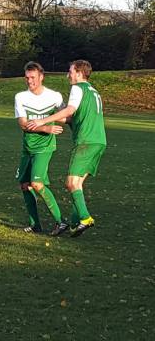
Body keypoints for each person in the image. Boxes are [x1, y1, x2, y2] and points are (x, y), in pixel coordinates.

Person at [27, 60, 106, 237]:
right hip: (99, 141)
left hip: (86, 141)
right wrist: (52, 114)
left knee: (71, 183)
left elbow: (70, 110)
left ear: (79, 73)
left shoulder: (78, 88)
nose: (67, 75)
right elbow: (73, 118)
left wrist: (42, 120)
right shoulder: (93, 91)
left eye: (70, 71)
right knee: (77, 184)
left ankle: (85, 218)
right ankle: (76, 223)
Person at [15, 61, 68, 236]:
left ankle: (61, 221)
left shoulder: (54, 97)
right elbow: (23, 124)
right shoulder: (20, 97)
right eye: (27, 77)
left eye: (33, 77)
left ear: (41, 77)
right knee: (25, 185)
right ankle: (35, 225)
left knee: (36, 184)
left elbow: (66, 117)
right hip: (28, 147)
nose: (29, 81)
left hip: (45, 147)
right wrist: (46, 128)